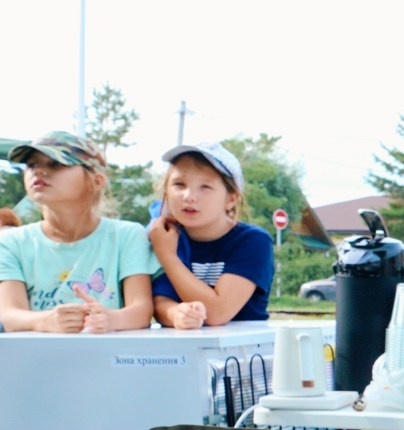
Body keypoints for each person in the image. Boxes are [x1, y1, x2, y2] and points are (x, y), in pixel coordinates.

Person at [0, 132, 154, 334]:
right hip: (37, 361)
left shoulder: (128, 235)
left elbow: (142, 310)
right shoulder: (11, 241)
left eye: (56, 164)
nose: (39, 171)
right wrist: (45, 321)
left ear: (97, 181)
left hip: (110, 360)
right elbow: (10, 315)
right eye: (31, 165)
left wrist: (111, 319)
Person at [148, 143, 273, 327]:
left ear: (231, 199)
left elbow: (217, 313)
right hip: (186, 351)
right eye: (179, 184)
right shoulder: (166, 235)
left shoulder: (253, 241)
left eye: (205, 186)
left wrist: (167, 256)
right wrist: (175, 314)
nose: (189, 196)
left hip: (243, 352)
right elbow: (160, 301)